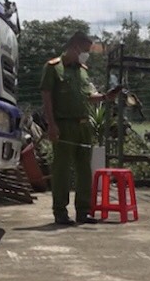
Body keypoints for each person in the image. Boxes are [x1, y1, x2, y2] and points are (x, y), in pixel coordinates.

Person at [40, 31, 120, 225]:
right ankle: (60, 212)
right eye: (85, 49)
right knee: (62, 170)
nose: (87, 54)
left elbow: (88, 96)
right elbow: (46, 96)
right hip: (64, 125)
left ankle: (83, 212)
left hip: (84, 125)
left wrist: (104, 97)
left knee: (84, 170)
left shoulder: (82, 70)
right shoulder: (53, 68)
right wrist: (51, 125)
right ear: (74, 46)